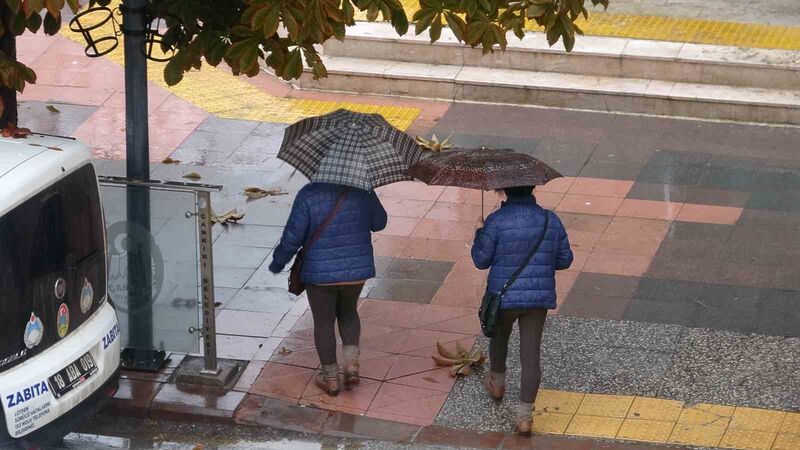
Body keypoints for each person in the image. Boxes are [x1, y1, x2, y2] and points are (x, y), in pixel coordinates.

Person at [471, 185, 573, 436]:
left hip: (503, 298)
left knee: (499, 338)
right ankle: (525, 418)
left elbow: (480, 260)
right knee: (531, 356)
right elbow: (564, 259)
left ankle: (497, 384)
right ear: (532, 188)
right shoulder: (551, 219)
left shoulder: (495, 221)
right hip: (538, 299)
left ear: (504, 190)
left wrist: (479, 233)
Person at [269, 182, 387, 396]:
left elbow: (292, 237)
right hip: (355, 270)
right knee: (349, 313)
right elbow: (379, 223)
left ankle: (330, 378)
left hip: (319, 272)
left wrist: (278, 262)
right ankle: (351, 364)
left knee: (323, 322)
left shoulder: (308, 194)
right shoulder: (363, 190)